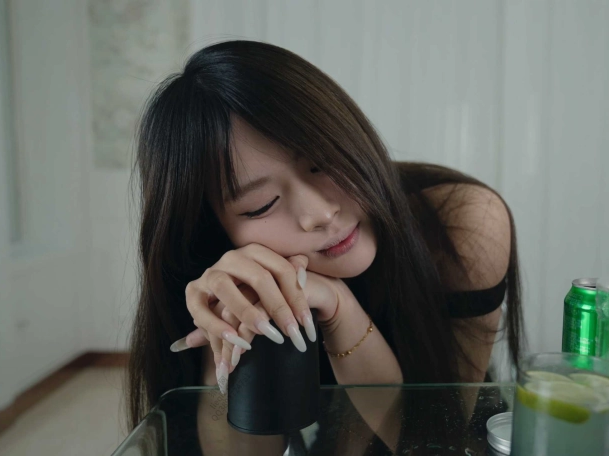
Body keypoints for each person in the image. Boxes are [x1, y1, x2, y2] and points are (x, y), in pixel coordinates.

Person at [125, 40, 525, 431]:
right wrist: (228, 328)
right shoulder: (228, 275)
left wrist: (340, 310)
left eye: (322, 163)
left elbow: (436, 439)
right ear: (215, 232)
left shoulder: (461, 222)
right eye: (262, 205)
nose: (320, 214)